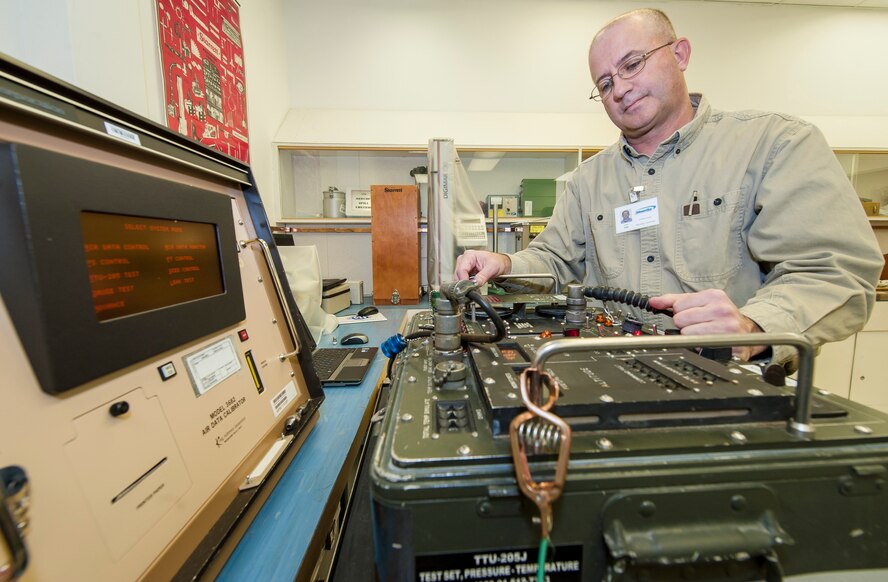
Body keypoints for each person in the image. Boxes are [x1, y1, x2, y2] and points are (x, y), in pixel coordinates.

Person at [454, 8, 883, 365]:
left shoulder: (774, 145)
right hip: (613, 375)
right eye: (604, 83)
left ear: (680, 54)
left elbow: (834, 270)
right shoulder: (589, 179)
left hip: (731, 386)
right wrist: (505, 264)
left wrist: (754, 328)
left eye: (632, 64)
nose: (619, 88)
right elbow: (554, 259)